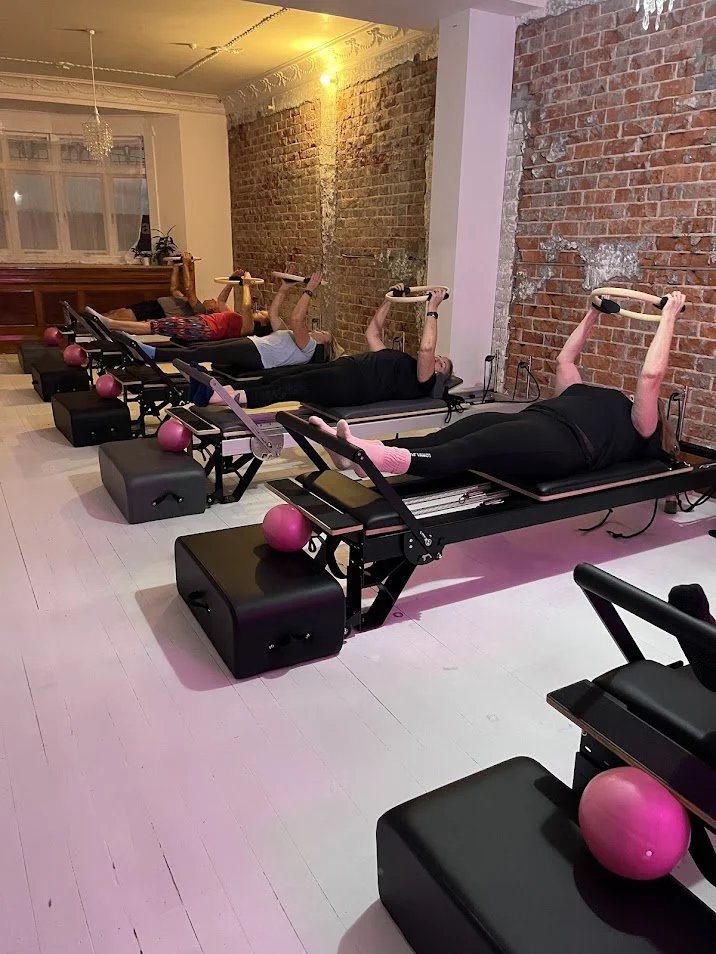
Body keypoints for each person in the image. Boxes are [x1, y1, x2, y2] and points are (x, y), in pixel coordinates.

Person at [308, 291, 686, 480]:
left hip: (562, 444)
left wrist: (668, 316)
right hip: (534, 420)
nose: (639, 395)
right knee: (443, 437)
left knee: (468, 450)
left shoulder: (643, 427)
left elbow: (650, 377)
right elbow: (565, 362)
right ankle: (355, 454)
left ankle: (370, 460)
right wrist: (592, 313)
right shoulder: (593, 395)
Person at [189, 284, 453, 409]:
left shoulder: (423, 381)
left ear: (439, 375)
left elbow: (426, 349)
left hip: (351, 386)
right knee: (281, 377)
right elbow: (372, 332)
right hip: (344, 369)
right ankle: (223, 390)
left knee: (290, 388)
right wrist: (389, 300)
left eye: (442, 363)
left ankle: (216, 399)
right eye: (441, 357)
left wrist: (432, 308)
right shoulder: (401, 362)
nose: (438, 358)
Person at [96, 262, 270, 343]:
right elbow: (221, 300)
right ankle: (110, 325)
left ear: (263, 323)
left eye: (263, 314)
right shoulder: (235, 317)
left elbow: (246, 306)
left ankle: (110, 324)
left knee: (155, 326)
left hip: (203, 329)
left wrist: (246, 285)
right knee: (156, 325)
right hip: (200, 323)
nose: (260, 311)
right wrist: (232, 281)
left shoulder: (247, 328)